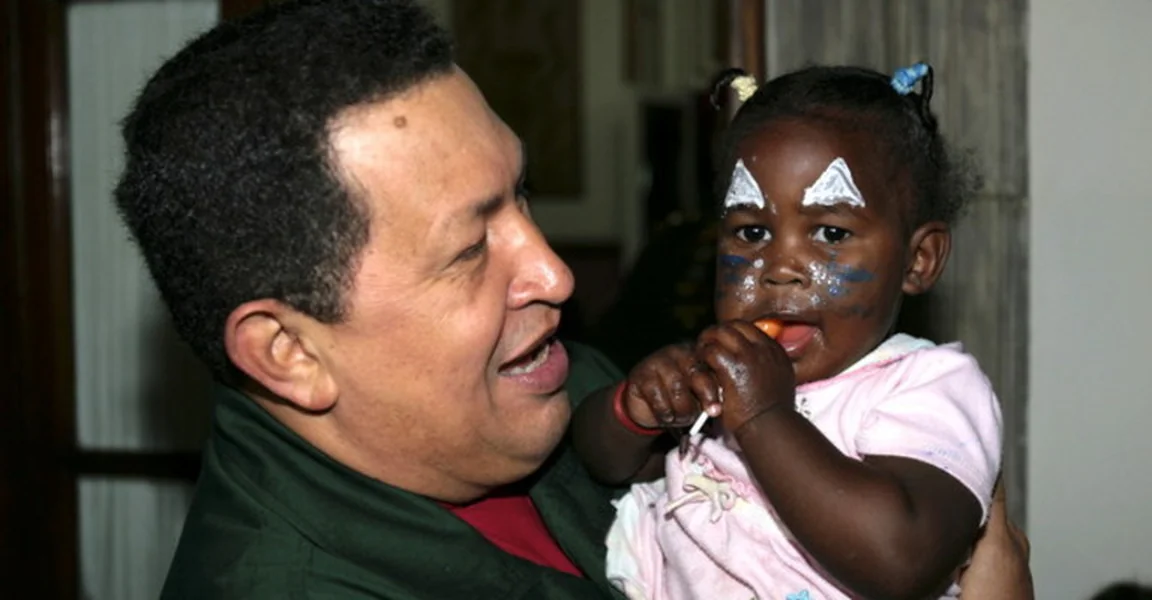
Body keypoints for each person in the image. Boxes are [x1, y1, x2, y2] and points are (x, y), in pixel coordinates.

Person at [109, 0, 1031, 597]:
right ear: (290, 352)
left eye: (525, 195)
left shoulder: (540, 382)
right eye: (469, 247)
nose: (555, 273)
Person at [572, 64, 1006, 599]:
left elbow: (904, 561)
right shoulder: (721, 373)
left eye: (831, 233)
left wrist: (764, 417)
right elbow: (602, 462)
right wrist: (634, 409)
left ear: (918, 260)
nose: (779, 268)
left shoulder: (929, 388)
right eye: (752, 232)